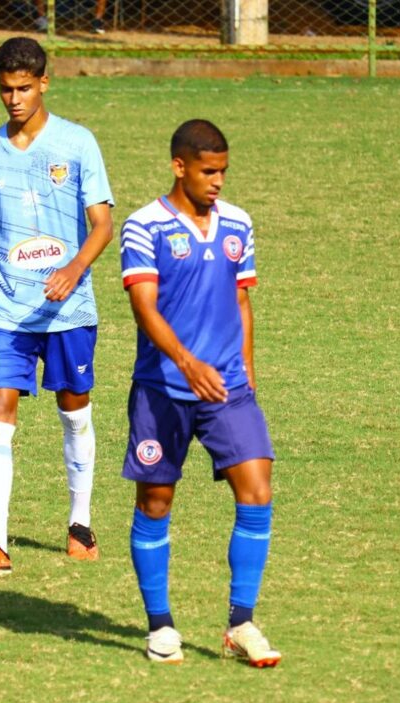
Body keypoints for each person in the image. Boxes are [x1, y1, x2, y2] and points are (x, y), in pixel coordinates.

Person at [119, 119, 281, 667]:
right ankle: (161, 626)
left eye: (224, 172)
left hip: (227, 387)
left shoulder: (238, 222)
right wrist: (187, 364)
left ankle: (241, 623)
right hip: (163, 389)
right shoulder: (144, 226)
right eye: (209, 171)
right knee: (155, 502)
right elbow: (144, 306)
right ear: (179, 166)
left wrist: (248, 374)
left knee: (257, 491)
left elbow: (241, 301)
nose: (218, 182)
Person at [0, 37, 114, 577]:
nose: (15, 99)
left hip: (67, 310)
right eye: (6, 89)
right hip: (5, 306)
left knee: (75, 413)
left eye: (24, 88)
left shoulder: (77, 144)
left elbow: (102, 224)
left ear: (44, 83)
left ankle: (79, 522)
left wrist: (73, 270)